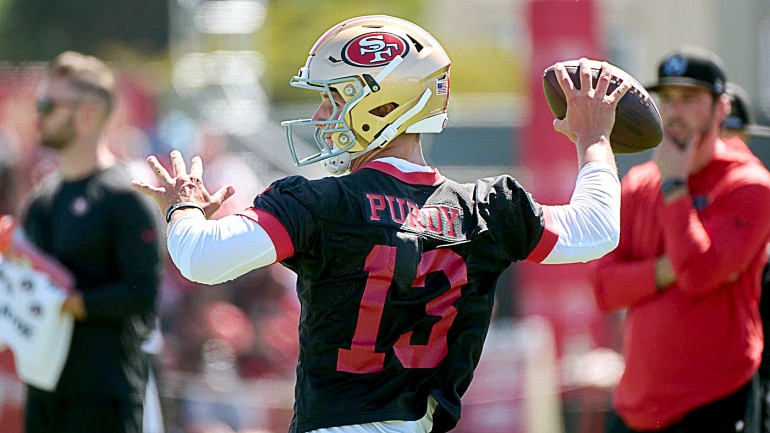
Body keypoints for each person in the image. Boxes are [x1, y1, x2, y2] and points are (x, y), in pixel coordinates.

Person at [132, 15, 631, 433]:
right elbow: (598, 229)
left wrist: (184, 206)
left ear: (382, 101)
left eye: (334, 96)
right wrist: (594, 141)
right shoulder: (488, 207)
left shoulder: (322, 202)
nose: (322, 113)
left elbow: (201, 258)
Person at [591, 45, 770, 433]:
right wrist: (664, 269)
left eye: (690, 99)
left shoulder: (749, 185)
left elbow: (697, 275)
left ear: (721, 108)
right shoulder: (640, 183)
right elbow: (604, 288)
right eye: (668, 99)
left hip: (716, 401)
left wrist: (675, 184)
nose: (675, 111)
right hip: (638, 407)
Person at [20, 51, 162, 433]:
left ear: (86, 114)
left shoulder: (125, 197)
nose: (39, 114)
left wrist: (71, 304)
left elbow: (142, 294)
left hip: (105, 395)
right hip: (44, 390)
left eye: (48, 105)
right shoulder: (41, 198)